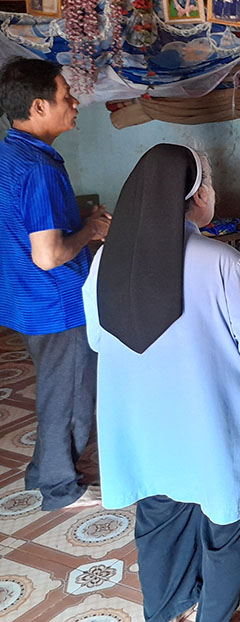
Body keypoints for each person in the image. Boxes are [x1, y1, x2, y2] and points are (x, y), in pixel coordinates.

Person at [82, 144, 240, 622]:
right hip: (211, 422)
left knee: (157, 516)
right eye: (208, 182)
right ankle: (214, 614)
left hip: (141, 426)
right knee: (226, 518)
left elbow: (96, 341)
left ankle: (165, 607)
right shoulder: (221, 263)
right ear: (193, 198)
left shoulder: (104, 263)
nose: (212, 191)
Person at [0, 58, 110, 510]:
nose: (75, 102)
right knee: (68, 396)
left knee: (54, 388)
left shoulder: (14, 153)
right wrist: (91, 230)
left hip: (26, 300)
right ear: (39, 106)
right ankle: (60, 488)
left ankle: (44, 470)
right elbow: (49, 255)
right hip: (56, 304)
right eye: (67, 96)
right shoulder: (38, 169)